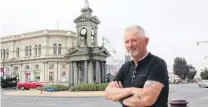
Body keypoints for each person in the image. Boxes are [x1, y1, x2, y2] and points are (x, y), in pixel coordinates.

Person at [104, 25, 169, 107]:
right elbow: (107, 93)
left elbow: (145, 99)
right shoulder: (126, 67)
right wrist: (131, 90)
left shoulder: (157, 64)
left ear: (146, 41)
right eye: (126, 42)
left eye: (134, 40)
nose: (130, 45)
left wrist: (120, 97)